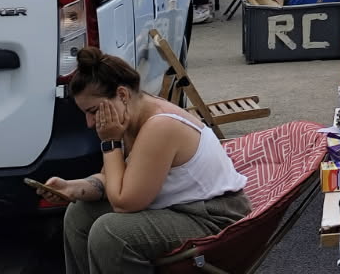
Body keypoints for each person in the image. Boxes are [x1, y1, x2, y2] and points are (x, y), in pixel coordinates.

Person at [45, 48, 250, 274]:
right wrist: (72, 189)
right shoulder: (129, 115)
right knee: (79, 214)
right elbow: (110, 179)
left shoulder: (160, 126)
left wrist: (110, 143)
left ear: (122, 95)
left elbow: (125, 203)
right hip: (178, 208)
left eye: (93, 111)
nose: (90, 123)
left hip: (212, 217)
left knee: (111, 233)